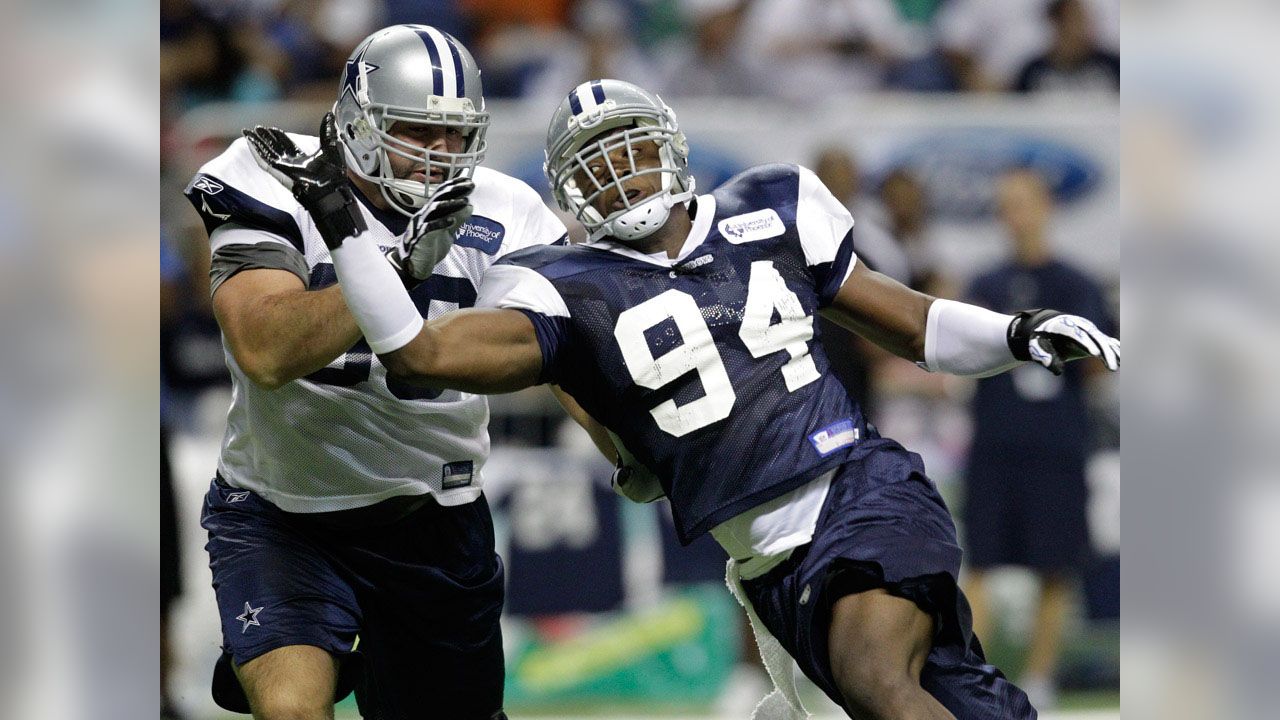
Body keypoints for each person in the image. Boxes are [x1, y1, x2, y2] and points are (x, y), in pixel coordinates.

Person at [252, 79, 1120, 719]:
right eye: (597, 165)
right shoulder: (562, 285)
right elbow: (414, 355)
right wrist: (340, 224)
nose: (622, 177)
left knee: (878, 683)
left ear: (667, 148)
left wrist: (1015, 332)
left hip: (857, 495)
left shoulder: (772, 205)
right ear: (569, 191)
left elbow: (911, 323)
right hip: (761, 561)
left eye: (630, 150)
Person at [183, 24, 568, 720]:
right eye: (420, 131)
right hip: (282, 513)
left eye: (457, 135)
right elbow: (265, 350)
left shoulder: (507, 211)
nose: (442, 155)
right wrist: (388, 268)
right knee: (293, 711)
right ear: (360, 123)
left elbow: (541, 353)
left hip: (433, 520)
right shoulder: (279, 177)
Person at [960, 168, 1117, 709]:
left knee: (1056, 562)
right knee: (981, 560)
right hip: (997, 439)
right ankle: (972, 674)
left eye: (1023, 202)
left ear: (1045, 206)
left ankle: (1041, 676)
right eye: (1006, 204)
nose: (1015, 215)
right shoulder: (985, 284)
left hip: (1055, 442)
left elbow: (1101, 366)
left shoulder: (1076, 283)